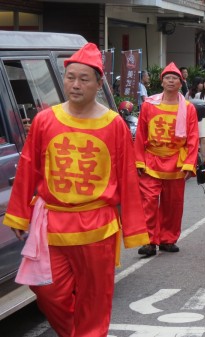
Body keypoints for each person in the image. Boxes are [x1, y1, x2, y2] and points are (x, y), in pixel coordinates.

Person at [3, 42, 150, 336]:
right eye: (70, 77)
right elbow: (29, 167)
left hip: (98, 226)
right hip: (52, 222)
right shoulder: (46, 120)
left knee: (95, 299)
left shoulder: (113, 125)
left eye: (84, 79)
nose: (75, 84)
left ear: (99, 83)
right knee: (48, 292)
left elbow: (127, 178)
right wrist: (19, 214)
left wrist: (133, 228)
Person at [135, 62, 199, 256]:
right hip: (152, 159)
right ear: (161, 82)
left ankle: (168, 239)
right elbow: (140, 134)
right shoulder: (149, 105)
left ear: (181, 83)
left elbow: (193, 137)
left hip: (175, 162)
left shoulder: (188, 108)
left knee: (173, 203)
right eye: (167, 78)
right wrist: (138, 160)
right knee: (149, 201)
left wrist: (189, 163)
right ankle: (148, 240)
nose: (171, 81)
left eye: (175, 78)